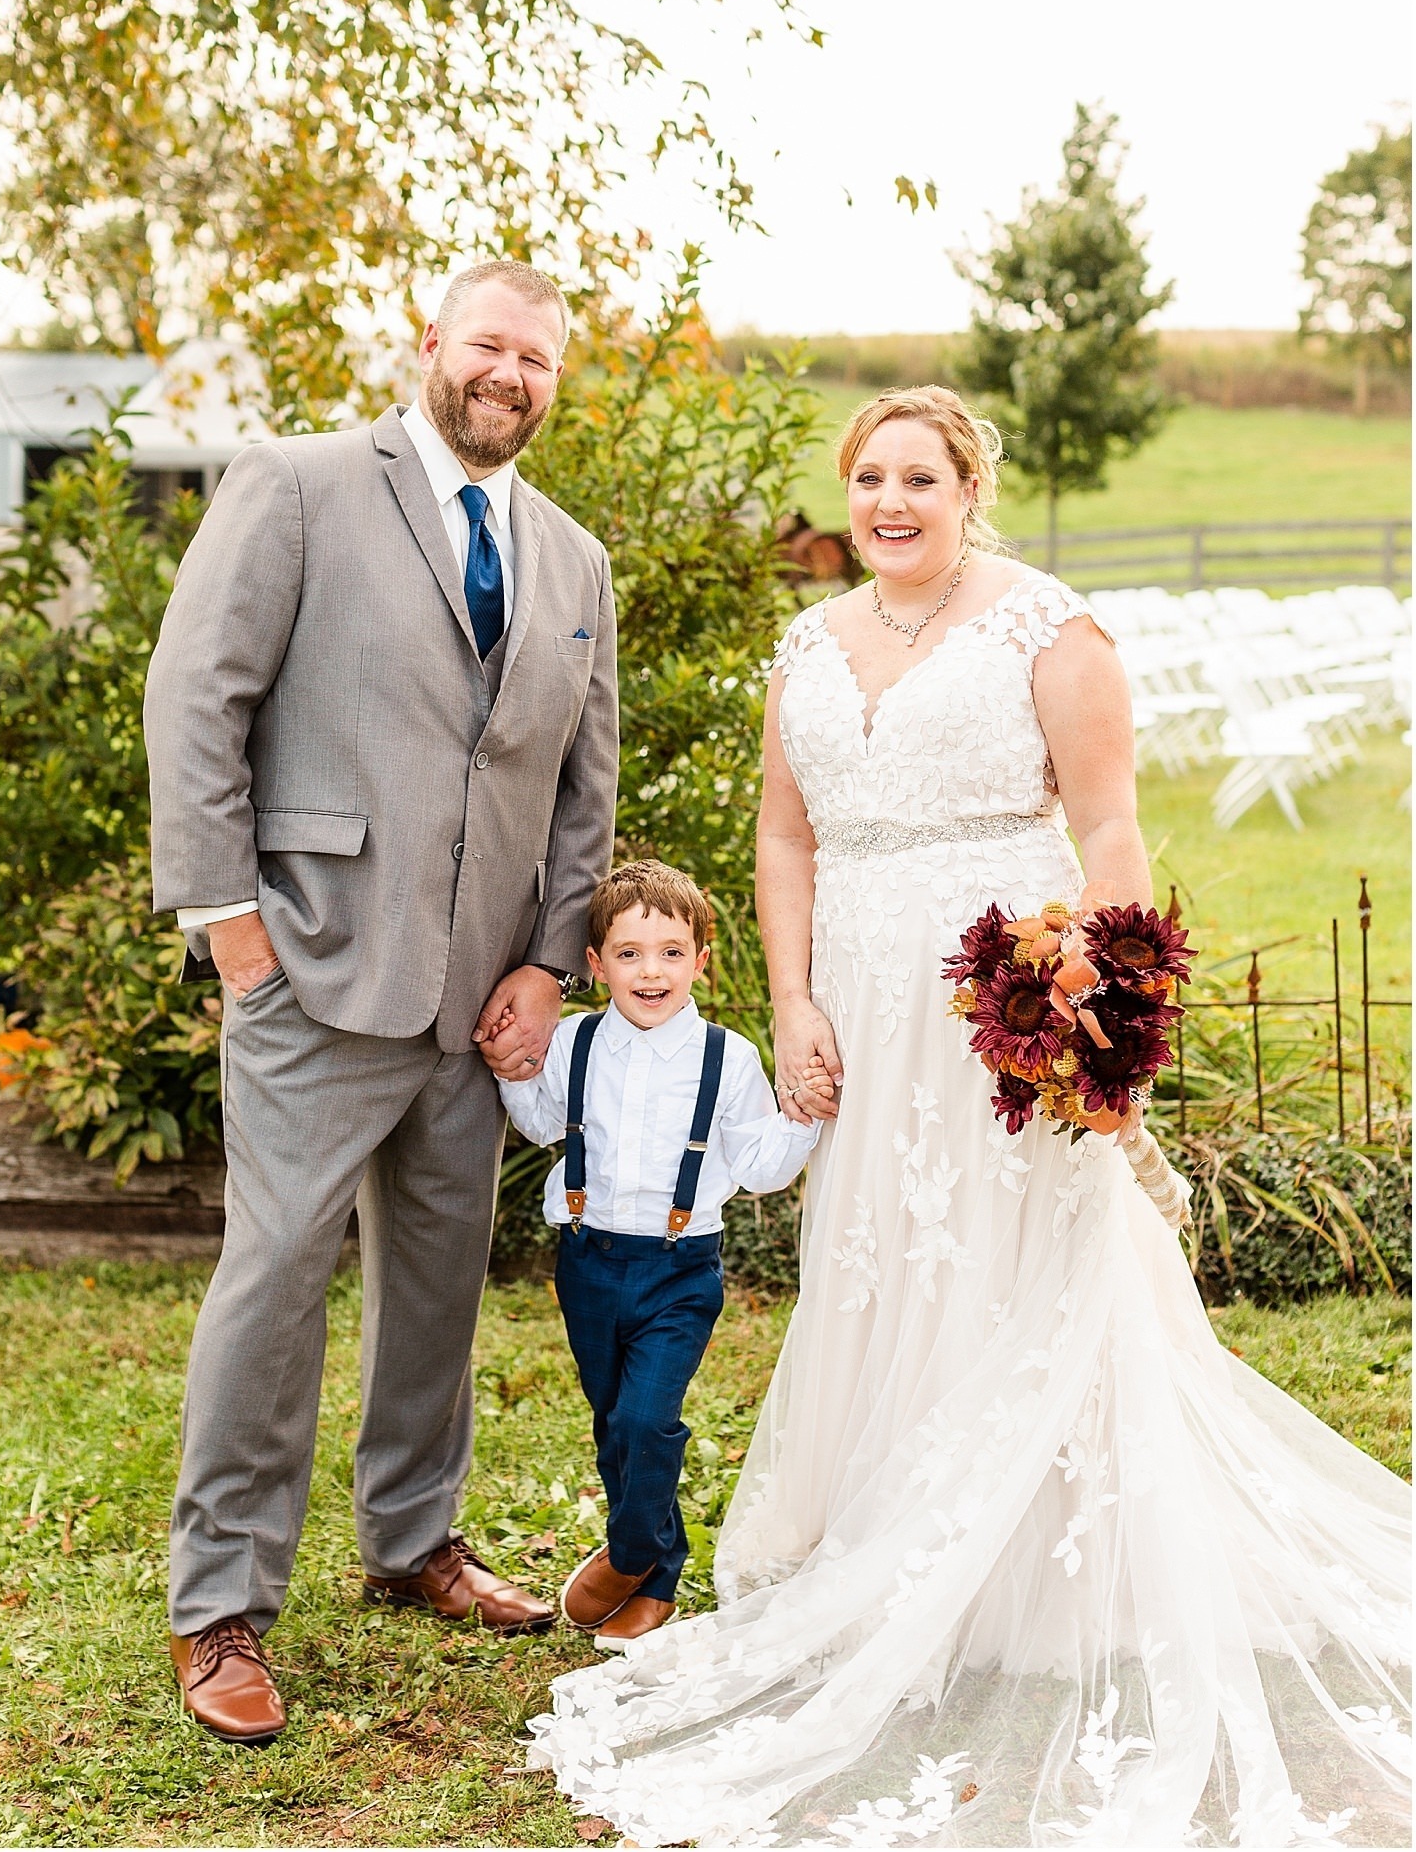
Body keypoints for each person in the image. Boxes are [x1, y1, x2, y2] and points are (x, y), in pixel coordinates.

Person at [526, 387, 1410, 1848]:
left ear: (966, 484)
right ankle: (885, 1546)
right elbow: (784, 832)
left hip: (1008, 997)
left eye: (918, 476)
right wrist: (793, 997)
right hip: (863, 1005)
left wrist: (1101, 1005)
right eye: (867, 475)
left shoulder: (1049, 628)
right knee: (879, 1253)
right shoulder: (808, 645)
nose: (889, 499)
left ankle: (1039, 1586)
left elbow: (1111, 821)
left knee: (1016, 1262)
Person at [144, 261, 619, 1745]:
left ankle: (414, 1537)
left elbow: (576, 784)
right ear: (432, 345)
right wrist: (232, 926)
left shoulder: (576, 561)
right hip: (313, 963)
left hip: (479, 1001)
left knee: (439, 1280)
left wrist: (547, 961)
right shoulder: (295, 485)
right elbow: (193, 693)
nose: (510, 374)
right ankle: (220, 1602)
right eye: (489, 344)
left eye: (536, 358)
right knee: (275, 1275)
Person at [491, 860, 820, 1652]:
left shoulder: (727, 1058)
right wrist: (510, 1067)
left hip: (680, 1268)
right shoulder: (571, 1044)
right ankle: (658, 1576)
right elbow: (541, 1119)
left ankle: (636, 1556)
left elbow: (762, 1166)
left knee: (648, 1417)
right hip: (586, 1259)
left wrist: (805, 1110)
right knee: (615, 1422)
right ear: (596, 964)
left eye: (671, 951)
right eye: (630, 953)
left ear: (701, 958)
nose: (652, 970)